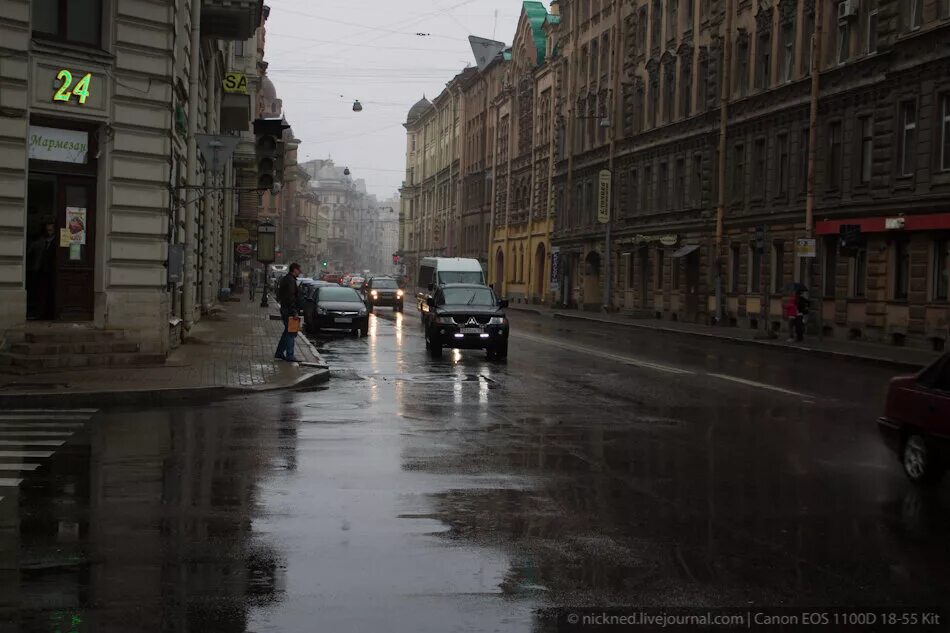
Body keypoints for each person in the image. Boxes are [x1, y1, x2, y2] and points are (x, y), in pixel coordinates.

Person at [26, 221, 57, 320]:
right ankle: (41, 313)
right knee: (40, 293)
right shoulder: (41, 241)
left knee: (49, 293)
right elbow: (31, 252)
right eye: (47, 230)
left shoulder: (56, 242)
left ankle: (48, 313)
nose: (49, 232)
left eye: (51, 230)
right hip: (41, 271)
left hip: (52, 272)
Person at [274, 263, 302, 362]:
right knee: (291, 332)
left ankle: (279, 353)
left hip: (286, 308)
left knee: (287, 332)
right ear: (294, 270)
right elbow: (291, 297)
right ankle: (290, 355)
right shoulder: (290, 280)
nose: (300, 272)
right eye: (299, 270)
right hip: (289, 310)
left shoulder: (288, 279)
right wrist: (294, 311)